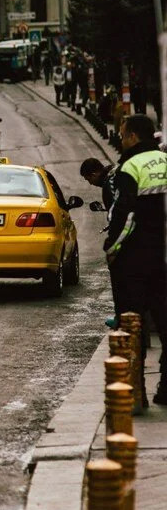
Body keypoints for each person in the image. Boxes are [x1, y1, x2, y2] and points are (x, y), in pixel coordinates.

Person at [104, 114, 167, 405]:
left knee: (133, 323)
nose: (119, 137)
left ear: (132, 136)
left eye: (122, 132)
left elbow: (125, 216)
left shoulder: (129, 167)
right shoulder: (165, 160)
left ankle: (136, 392)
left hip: (138, 260)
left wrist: (112, 249)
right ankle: (166, 389)